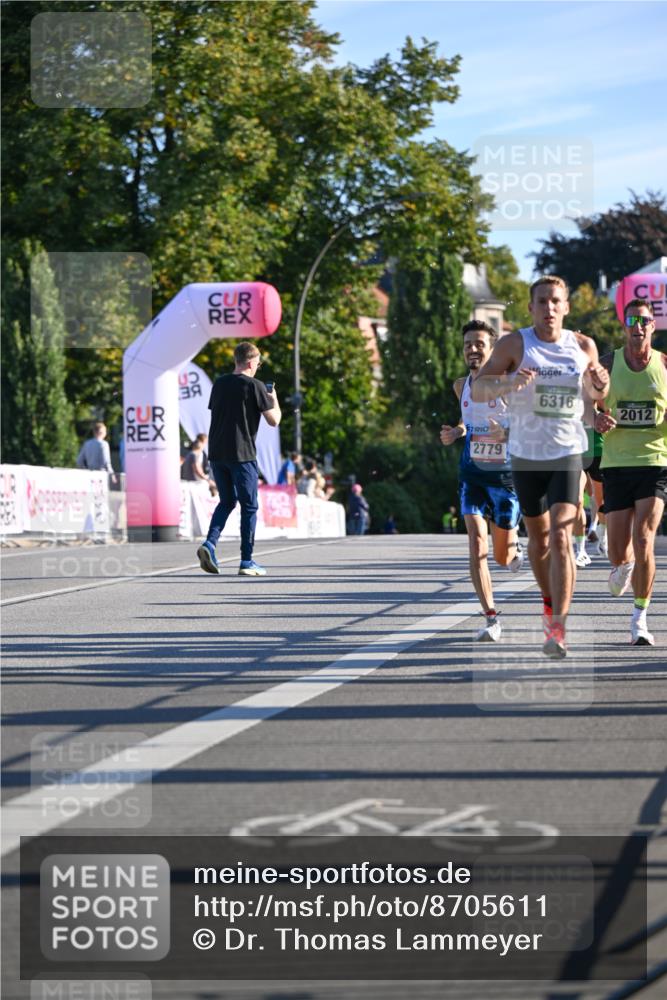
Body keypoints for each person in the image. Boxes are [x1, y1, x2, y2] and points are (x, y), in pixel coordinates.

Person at [472, 276, 610, 657]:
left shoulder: (583, 346)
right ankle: (549, 602)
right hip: (526, 454)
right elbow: (480, 388)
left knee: (564, 536)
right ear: (531, 307)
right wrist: (510, 381)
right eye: (542, 301)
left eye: (556, 301)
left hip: (567, 452)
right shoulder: (514, 343)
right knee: (539, 540)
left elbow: (597, 392)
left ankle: (558, 628)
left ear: (566, 307)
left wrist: (600, 384)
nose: (549, 308)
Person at [440, 320, 524, 642]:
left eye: (479, 344)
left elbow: (528, 424)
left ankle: (514, 547)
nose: (472, 350)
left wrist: (509, 433)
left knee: (503, 558)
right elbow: (467, 419)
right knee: (476, 544)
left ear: (492, 351)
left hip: (504, 478)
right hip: (471, 475)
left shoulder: (507, 384)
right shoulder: (461, 385)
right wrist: (457, 432)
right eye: (467, 345)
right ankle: (491, 617)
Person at [594, 298, 667, 646]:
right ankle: (621, 567)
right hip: (617, 464)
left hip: (655, 463)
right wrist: (595, 417)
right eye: (631, 320)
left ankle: (640, 617)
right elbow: (586, 398)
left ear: (653, 326)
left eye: (644, 321)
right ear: (624, 327)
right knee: (619, 550)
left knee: (645, 539)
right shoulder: (608, 364)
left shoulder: (665, 366)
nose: (637, 326)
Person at [196, 342, 281, 577]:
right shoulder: (255, 386)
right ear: (252, 362)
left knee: (227, 501)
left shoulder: (219, 384)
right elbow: (274, 420)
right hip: (242, 454)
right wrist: (273, 398)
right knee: (249, 506)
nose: (258, 367)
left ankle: (210, 544)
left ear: (236, 360)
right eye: (258, 363)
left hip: (217, 454)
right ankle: (246, 560)